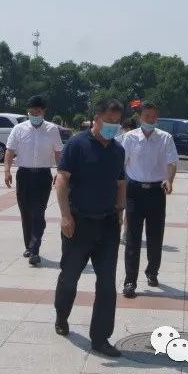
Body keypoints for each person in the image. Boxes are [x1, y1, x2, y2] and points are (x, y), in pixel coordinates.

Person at [54, 98, 128, 358]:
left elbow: (121, 182)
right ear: (96, 118)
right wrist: (65, 216)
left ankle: (101, 338)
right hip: (79, 223)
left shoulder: (118, 150)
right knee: (69, 276)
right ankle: (61, 315)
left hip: (107, 224)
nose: (113, 126)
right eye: (109, 121)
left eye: (117, 122)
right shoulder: (77, 144)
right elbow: (61, 180)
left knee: (107, 283)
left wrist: (120, 212)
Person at [120, 101, 178, 297]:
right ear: (139, 117)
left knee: (155, 236)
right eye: (147, 116)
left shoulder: (165, 138)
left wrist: (169, 180)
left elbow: (172, 162)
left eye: (154, 117)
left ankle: (152, 271)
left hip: (156, 192)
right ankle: (130, 281)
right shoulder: (129, 138)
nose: (151, 120)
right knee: (132, 238)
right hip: (134, 192)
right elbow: (122, 164)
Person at [4, 95, 63, 266]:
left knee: (38, 213)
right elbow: (9, 150)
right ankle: (29, 245)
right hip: (24, 175)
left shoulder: (52, 130)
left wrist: (60, 171)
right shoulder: (19, 129)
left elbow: (58, 152)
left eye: (37, 112)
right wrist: (7, 170)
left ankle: (35, 249)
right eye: (31, 112)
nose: (34, 115)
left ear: (44, 111)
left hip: (43, 175)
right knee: (26, 213)